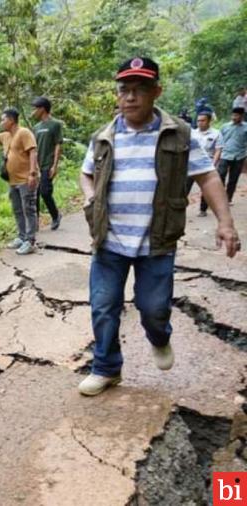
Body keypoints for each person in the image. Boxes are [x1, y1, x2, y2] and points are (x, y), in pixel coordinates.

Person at [78, 56, 241, 396]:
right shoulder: (103, 137)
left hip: (157, 241)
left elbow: (207, 175)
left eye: (140, 89)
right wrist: (91, 197)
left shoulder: (178, 135)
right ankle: (106, 367)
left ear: (156, 92)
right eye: (124, 90)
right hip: (109, 240)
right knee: (103, 305)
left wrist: (225, 222)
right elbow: (86, 172)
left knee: (153, 308)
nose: (131, 97)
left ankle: (159, 337)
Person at [0, 107, 39, 255]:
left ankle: (30, 241)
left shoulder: (24, 133)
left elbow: (33, 152)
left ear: (11, 120)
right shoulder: (6, 136)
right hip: (13, 181)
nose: (1, 122)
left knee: (29, 209)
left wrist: (32, 173)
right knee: (18, 209)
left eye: (3, 119)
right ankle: (21, 236)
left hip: (26, 179)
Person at [31, 96, 64, 230]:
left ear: (42, 109)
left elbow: (58, 145)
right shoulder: (36, 127)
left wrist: (54, 166)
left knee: (45, 192)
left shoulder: (55, 124)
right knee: (35, 195)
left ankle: (56, 215)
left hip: (48, 164)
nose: (33, 112)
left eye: (35, 109)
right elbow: (34, 148)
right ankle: (35, 223)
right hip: (36, 166)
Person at [187, 109, 220, 216]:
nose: (200, 123)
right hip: (191, 165)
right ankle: (179, 209)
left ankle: (203, 209)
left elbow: (218, 150)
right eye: (198, 121)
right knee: (184, 188)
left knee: (206, 189)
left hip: (207, 165)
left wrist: (213, 165)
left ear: (209, 121)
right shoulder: (192, 133)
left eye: (203, 121)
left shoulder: (216, 134)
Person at [212, 106, 247, 205]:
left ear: (242, 116)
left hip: (239, 156)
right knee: (220, 176)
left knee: (233, 179)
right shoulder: (225, 126)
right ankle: (220, 197)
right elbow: (218, 141)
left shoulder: (246, 127)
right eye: (233, 115)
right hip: (225, 155)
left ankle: (228, 199)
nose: (234, 117)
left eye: (236, 115)